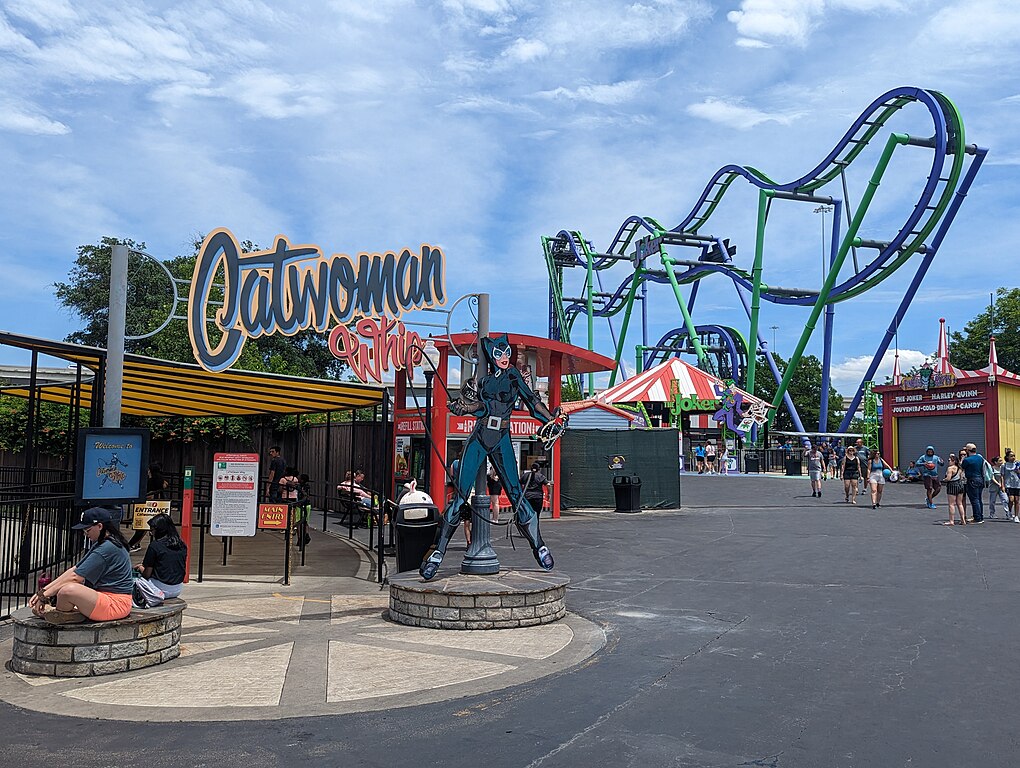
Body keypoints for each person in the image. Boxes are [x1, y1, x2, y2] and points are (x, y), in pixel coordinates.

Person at [420, 333, 566, 580]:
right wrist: (463, 408)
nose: (504, 357)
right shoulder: (484, 382)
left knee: (517, 496)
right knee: (460, 496)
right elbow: (481, 407)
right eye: (498, 353)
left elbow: (532, 402)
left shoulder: (513, 376)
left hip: (502, 436)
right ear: (491, 355)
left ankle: (539, 545)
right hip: (481, 434)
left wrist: (550, 420)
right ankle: (437, 551)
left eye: (506, 353)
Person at [28, 508, 134, 623]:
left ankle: (61, 613)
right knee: (64, 589)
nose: (85, 534)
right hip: (103, 597)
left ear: (99, 526)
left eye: (87, 530)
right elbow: (74, 570)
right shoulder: (103, 543)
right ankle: (64, 613)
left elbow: (76, 578)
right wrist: (43, 592)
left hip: (116, 604)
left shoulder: (107, 547)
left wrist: (44, 596)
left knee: (67, 591)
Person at [133, 513, 187, 599]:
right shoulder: (182, 545)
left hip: (159, 589)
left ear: (159, 530)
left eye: (152, 530)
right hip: (177, 588)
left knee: (133, 580)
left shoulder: (155, 546)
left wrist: (140, 568)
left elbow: (147, 574)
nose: (151, 533)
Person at [128, 462, 169, 552]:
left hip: (146, 506)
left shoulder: (149, 481)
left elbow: (146, 493)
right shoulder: (161, 480)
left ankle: (131, 545)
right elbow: (165, 485)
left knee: (141, 528)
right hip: (159, 506)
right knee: (154, 527)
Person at [960, 443, 986, 523]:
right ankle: (980, 516)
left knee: (974, 499)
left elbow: (962, 467)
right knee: (979, 499)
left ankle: (977, 518)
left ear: (968, 451)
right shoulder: (980, 458)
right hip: (980, 479)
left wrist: (962, 459)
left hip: (972, 479)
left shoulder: (967, 460)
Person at [943, 454, 967, 525]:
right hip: (960, 485)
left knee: (951, 504)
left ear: (953, 461)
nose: (949, 462)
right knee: (960, 503)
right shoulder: (959, 468)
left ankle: (951, 521)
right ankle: (963, 519)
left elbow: (948, 478)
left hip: (952, 485)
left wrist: (944, 479)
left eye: (949, 460)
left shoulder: (950, 468)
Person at [1001, 449, 1020, 523]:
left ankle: (1016, 516)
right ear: (1007, 457)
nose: (1013, 457)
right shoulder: (1004, 465)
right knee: (1011, 500)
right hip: (1008, 484)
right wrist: (1002, 485)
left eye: (1014, 456)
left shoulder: (1017, 464)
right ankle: (1009, 511)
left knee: (1017, 500)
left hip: (1017, 484)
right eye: (1011, 456)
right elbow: (1002, 475)